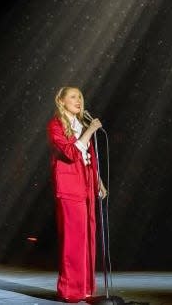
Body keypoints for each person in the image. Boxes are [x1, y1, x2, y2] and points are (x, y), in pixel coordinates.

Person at [47, 86, 108, 303]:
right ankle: (70, 290)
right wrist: (90, 130)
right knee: (74, 241)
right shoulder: (56, 126)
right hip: (69, 188)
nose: (79, 100)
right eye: (73, 97)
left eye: (80, 97)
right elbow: (71, 153)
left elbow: (88, 157)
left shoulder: (80, 124)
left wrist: (98, 181)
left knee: (88, 239)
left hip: (86, 187)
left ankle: (85, 288)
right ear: (61, 101)